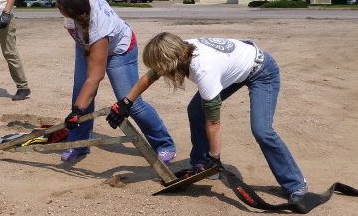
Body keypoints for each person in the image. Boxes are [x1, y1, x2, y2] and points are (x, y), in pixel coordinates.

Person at [22, 0, 176, 162]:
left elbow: (95, 77)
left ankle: (164, 144)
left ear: (71, 11)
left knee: (130, 101)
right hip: (85, 46)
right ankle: (80, 144)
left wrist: (75, 113)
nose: (56, 5)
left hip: (119, 50)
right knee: (80, 96)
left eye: (58, 5)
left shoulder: (96, 30)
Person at [106, 32, 308, 202]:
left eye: (162, 68)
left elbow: (213, 121)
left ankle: (296, 185)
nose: (161, 73)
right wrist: (126, 103)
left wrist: (216, 157)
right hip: (235, 65)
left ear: (173, 62)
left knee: (262, 130)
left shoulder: (203, 69)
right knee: (195, 110)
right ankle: (200, 163)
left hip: (262, 71)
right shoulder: (179, 49)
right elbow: (149, 76)